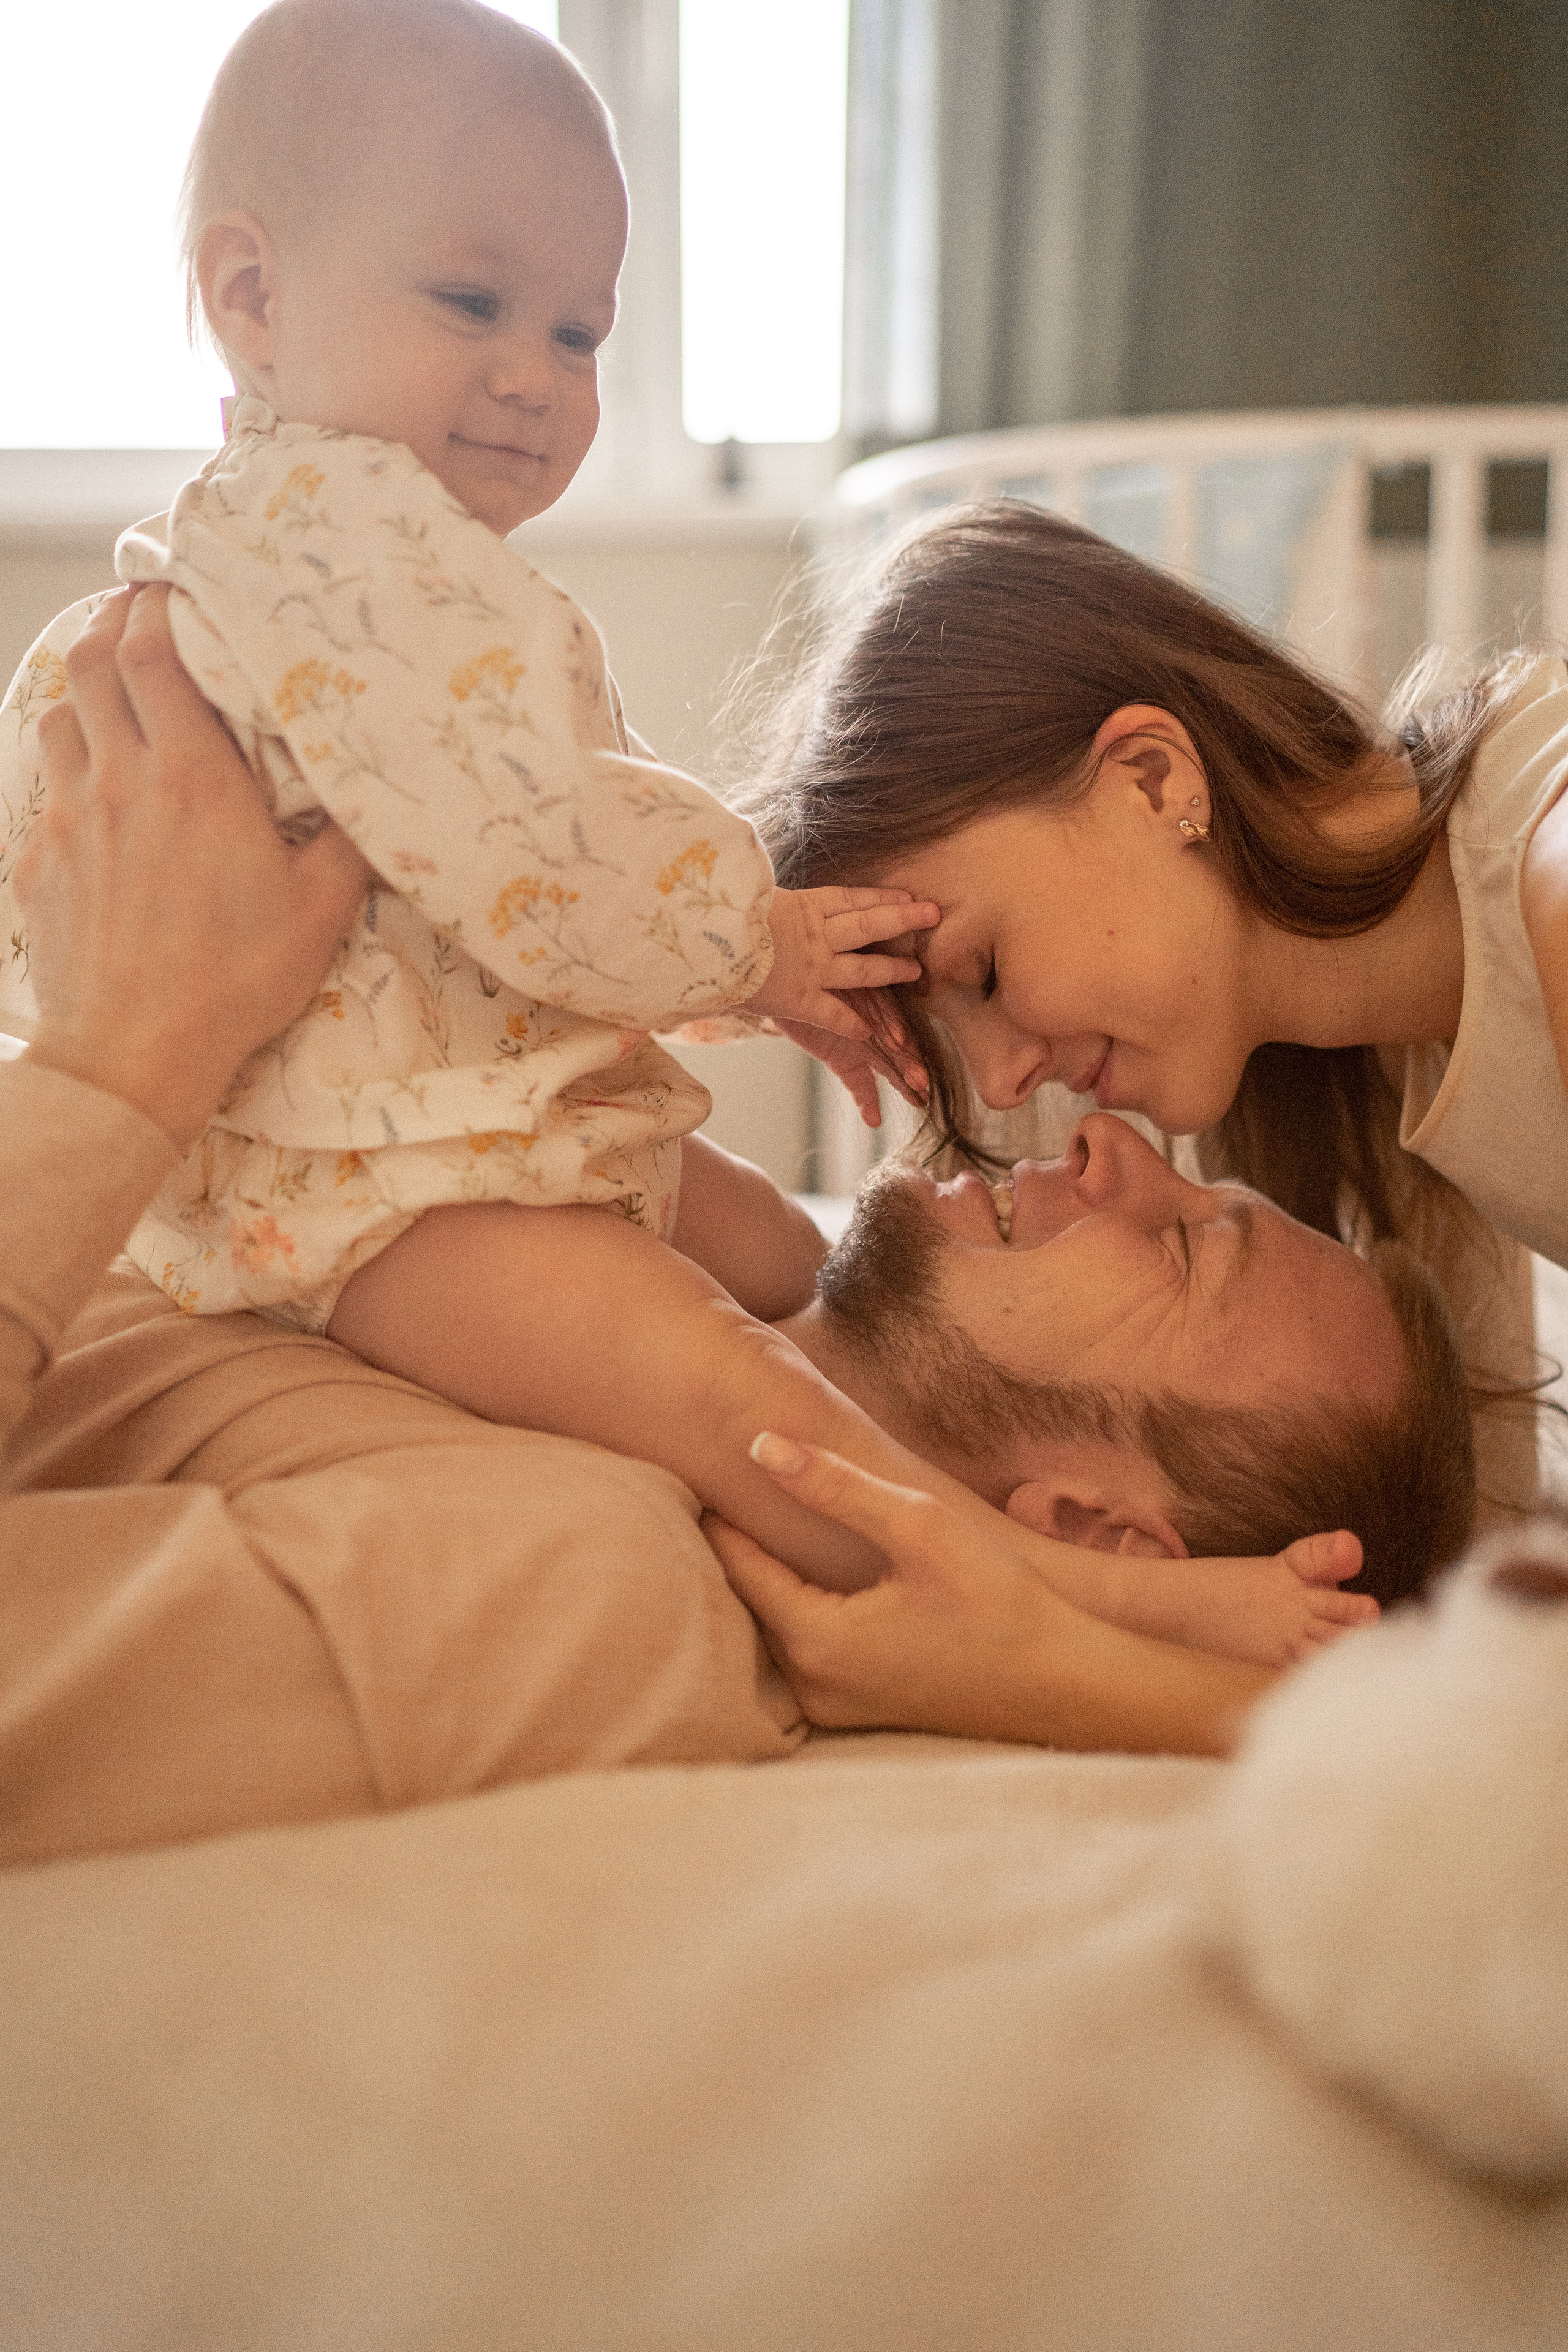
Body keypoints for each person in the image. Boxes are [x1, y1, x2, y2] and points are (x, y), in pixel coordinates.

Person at [0, 592, 1474, 1863]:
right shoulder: (721, 1249)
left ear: (1091, 1527)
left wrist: (119, 1063)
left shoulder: (604, 1576)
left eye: (1177, 1247)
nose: (1110, 1147)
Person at [0, 0, 929, 1329]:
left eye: (577, 333)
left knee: (791, 1254)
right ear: (256, 298)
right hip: (369, 1159)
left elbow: (562, 791)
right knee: (742, 1325)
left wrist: (707, 962)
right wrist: (747, 942)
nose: (533, 378)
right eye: (472, 302)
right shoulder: (339, 550)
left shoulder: (289, 546)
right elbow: (534, 827)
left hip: (423, 1101)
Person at [748, 499, 1568, 1320]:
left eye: (986, 972)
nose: (1000, 1087)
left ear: (1152, 779)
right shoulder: (1367, 1060)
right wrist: (747, 962)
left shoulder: (1548, 860)